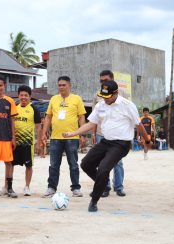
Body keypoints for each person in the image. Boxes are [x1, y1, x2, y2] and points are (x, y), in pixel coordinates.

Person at [62, 80, 149, 212]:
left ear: (116, 93)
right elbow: (91, 124)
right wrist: (73, 133)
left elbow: (139, 124)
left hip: (121, 144)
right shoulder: (100, 105)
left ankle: (94, 201)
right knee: (86, 164)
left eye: (108, 97)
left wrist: (146, 140)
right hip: (106, 141)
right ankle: (104, 184)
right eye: (103, 97)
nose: (105, 100)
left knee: (103, 169)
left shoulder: (127, 105)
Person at [41, 76, 86, 198]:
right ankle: (51, 188)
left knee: (73, 164)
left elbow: (81, 117)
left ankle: (76, 188)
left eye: (63, 85)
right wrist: (44, 133)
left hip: (72, 138)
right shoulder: (54, 99)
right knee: (54, 165)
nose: (61, 87)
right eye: (59, 85)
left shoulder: (77, 99)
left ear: (69, 85)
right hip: (56, 138)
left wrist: (82, 134)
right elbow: (48, 117)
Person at [92, 70, 126, 197]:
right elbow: (94, 117)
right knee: (102, 163)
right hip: (102, 133)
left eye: (105, 80)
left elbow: (126, 113)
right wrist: (94, 134)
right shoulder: (97, 95)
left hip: (118, 134)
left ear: (112, 79)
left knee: (118, 162)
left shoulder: (121, 93)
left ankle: (119, 187)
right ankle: (105, 187)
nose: (103, 82)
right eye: (101, 81)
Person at [9, 85, 41, 196]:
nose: (23, 97)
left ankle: (27, 187)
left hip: (28, 143)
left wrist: (39, 142)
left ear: (30, 97)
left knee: (29, 166)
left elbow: (38, 127)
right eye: (21, 95)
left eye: (26, 95)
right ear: (18, 96)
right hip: (14, 143)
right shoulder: (14, 108)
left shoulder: (34, 109)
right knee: (10, 165)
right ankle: (8, 186)